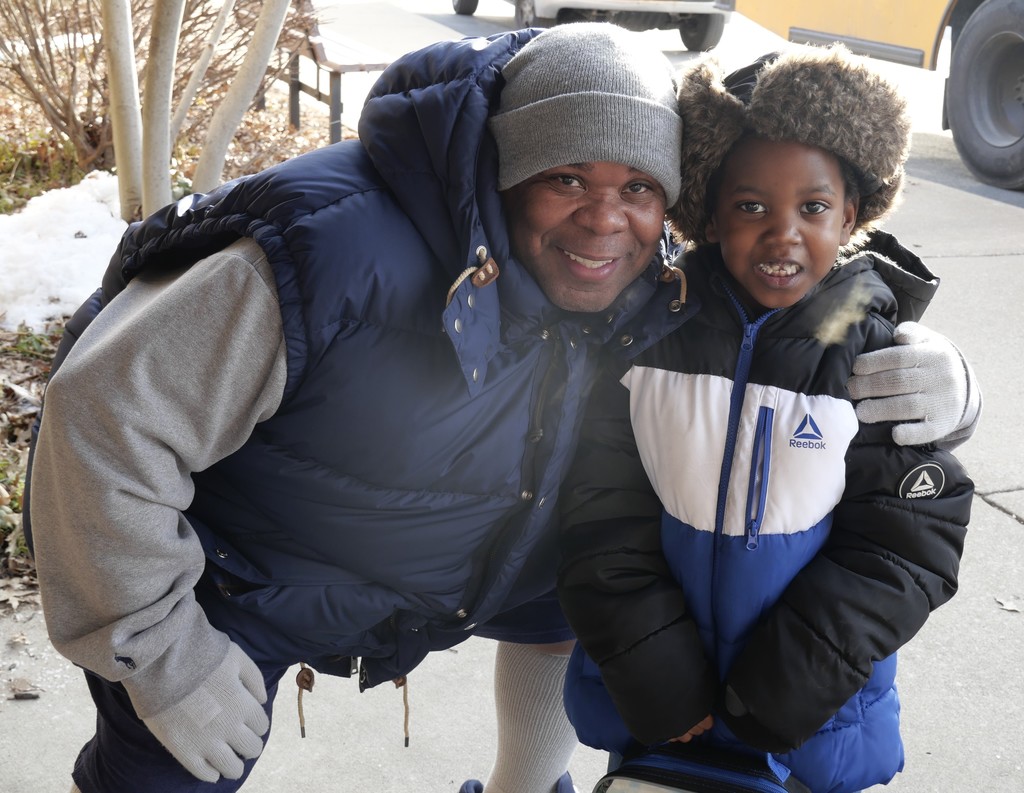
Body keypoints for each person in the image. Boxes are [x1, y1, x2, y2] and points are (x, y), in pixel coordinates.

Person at [25, 24, 976, 793]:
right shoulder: (318, 254)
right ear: (503, 171)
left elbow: (789, 292)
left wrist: (931, 372)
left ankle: (526, 784)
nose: (607, 220)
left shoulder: (647, 282)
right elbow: (98, 421)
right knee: (170, 763)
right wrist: (164, 653)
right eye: (568, 179)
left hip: (461, 552)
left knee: (583, 548)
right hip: (237, 575)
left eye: (639, 189)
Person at [558, 44, 975, 793]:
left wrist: (782, 691)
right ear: (710, 213)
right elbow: (596, 509)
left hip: (812, 725)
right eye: (751, 206)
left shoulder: (874, 361)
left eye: (812, 208)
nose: (783, 233)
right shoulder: (651, 335)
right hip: (658, 711)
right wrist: (655, 671)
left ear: (852, 212)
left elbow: (909, 542)